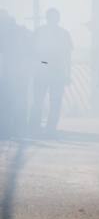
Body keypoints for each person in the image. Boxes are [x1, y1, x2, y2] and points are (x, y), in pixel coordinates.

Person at [29, 8, 73, 136]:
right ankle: (50, 129)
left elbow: (32, 53)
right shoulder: (64, 34)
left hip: (41, 71)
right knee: (55, 102)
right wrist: (67, 74)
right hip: (57, 72)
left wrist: (34, 68)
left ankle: (34, 127)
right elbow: (67, 56)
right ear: (58, 19)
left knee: (38, 101)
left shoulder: (39, 32)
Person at [0, 10, 32, 139]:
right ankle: (16, 128)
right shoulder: (20, 31)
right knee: (16, 101)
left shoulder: (13, 32)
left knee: (8, 101)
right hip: (16, 73)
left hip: (11, 73)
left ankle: (9, 128)